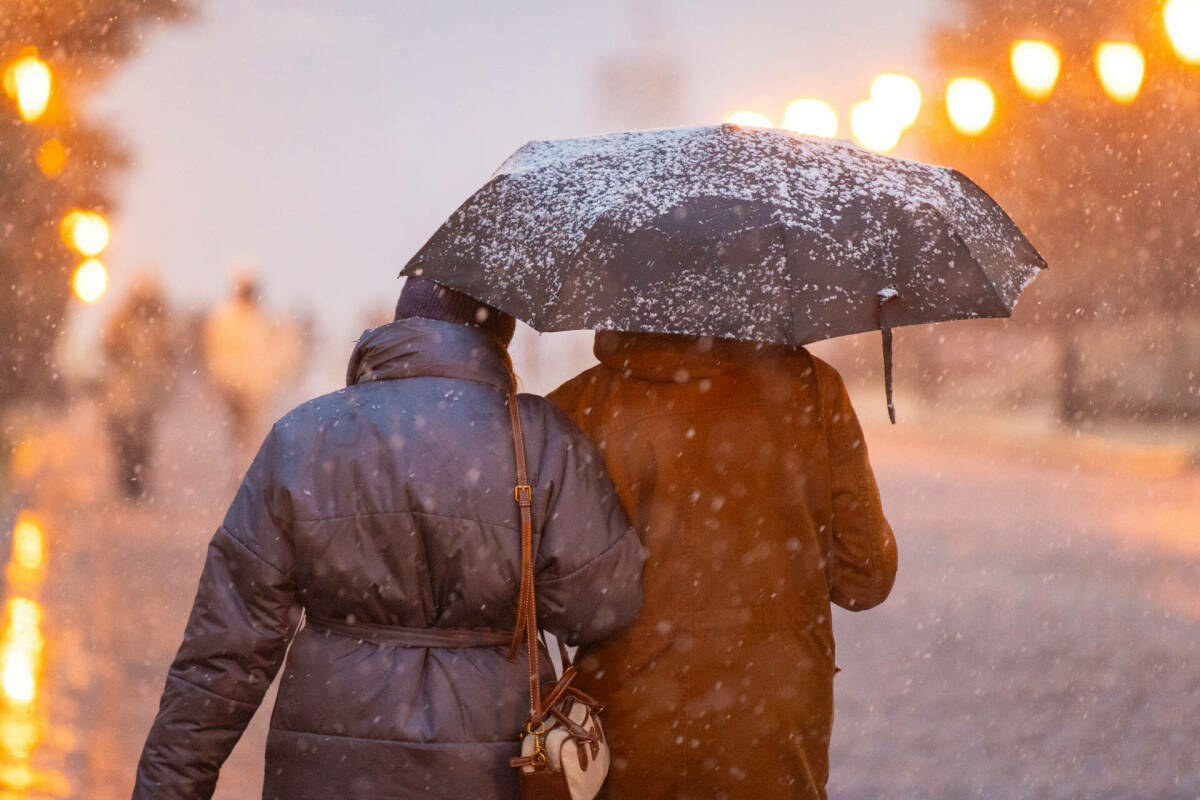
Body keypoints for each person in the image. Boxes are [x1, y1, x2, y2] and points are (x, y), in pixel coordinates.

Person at [133, 277, 644, 799]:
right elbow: (599, 605)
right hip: (488, 767)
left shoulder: (305, 435)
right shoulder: (541, 438)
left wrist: (169, 787)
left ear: (400, 325)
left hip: (327, 768)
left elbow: (226, 649)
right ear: (500, 337)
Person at [549, 331, 898, 800]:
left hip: (625, 722)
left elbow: (556, 597)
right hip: (772, 719)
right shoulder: (811, 387)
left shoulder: (577, 405)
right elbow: (866, 578)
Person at [202, 271, 303, 450]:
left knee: (255, 441)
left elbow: (287, 349)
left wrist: (272, 375)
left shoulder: (267, 319)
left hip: (258, 395)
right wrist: (226, 380)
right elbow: (215, 355)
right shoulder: (224, 320)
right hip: (232, 393)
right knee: (233, 441)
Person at [101, 275, 177, 501]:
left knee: (141, 435)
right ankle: (129, 475)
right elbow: (108, 345)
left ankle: (136, 477)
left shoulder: (161, 323)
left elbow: (170, 351)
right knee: (124, 433)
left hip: (146, 388)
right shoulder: (122, 319)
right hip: (126, 387)